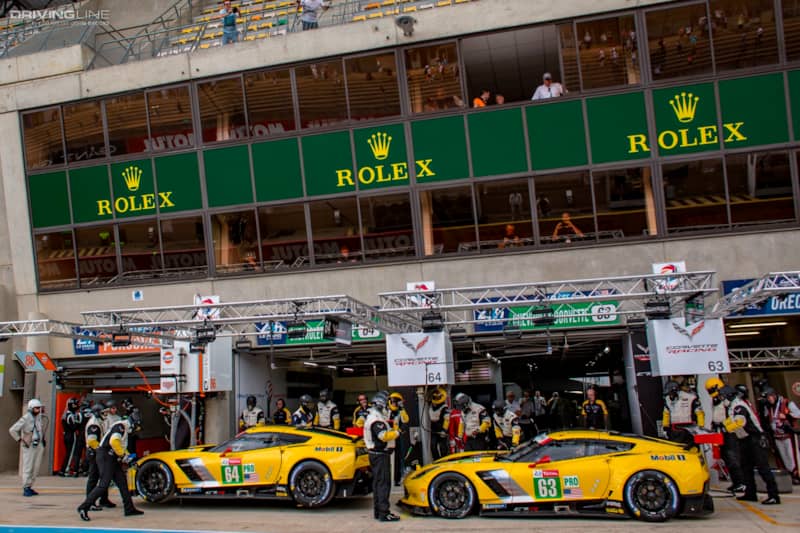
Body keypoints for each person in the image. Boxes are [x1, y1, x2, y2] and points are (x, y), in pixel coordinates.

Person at [77, 411, 144, 521]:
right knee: (103, 485)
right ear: (133, 423)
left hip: (111, 457)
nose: (136, 430)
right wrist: (124, 456)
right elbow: (114, 442)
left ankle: (129, 508)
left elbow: (121, 447)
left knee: (122, 483)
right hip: (106, 456)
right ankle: (83, 507)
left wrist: (129, 458)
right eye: (137, 426)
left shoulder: (123, 428)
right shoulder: (120, 427)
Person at [722, 385, 780, 505]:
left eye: (723, 397)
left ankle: (774, 495)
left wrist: (726, 428)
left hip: (755, 439)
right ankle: (750, 493)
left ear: (729, 395)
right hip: (744, 439)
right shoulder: (732, 406)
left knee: (763, 467)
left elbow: (739, 422)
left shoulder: (738, 406)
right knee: (746, 468)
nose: (722, 399)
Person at [363, 392, 400, 522]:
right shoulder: (376, 420)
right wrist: (397, 433)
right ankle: (384, 513)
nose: (388, 406)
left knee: (378, 484)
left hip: (375, 454)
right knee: (383, 484)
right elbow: (383, 436)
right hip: (380, 455)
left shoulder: (373, 416)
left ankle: (378, 512)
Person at [705, 377, 746, 494]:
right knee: (726, 457)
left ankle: (741, 482)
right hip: (721, 430)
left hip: (730, 431)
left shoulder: (728, 397)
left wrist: (725, 426)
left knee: (732, 456)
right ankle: (736, 482)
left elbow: (732, 415)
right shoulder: (715, 399)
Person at [9, 398, 47, 497]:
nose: (38, 410)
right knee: (28, 467)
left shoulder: (39, 417)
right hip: (29, 445)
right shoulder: (26, 418)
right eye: (36, 408)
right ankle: (26, 487)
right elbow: (12, 430)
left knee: (36, 467)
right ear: (31, 408)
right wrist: (20, 440)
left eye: (39, 408)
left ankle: (30, 486)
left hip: (38, 444)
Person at [763, 387, 800, 485]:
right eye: (767, 398)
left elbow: (798, 414)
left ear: (774, 395)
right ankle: (790, 475)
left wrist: (787, 416)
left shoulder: (787, 403)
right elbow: (766, 418)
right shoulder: (769, 406)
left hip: (788, 435)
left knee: (792, 456)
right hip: (777, 436)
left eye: (770, 397)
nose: (769, 399)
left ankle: (797, 474)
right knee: (783, 456)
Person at [84, 403, 116, 510]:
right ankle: (90, 502)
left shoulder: (100, 421)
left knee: (104, 476)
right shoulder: (94, 424)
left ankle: (104, 499)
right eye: (104, 412)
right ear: (97, 413)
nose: (106, 414)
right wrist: (101, 450)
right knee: (93, 477)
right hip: (94, 452)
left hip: (98, 452)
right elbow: (92, 441)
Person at [388, 392, 409, 486]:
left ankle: (397, 479)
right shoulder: (386, 410)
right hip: (387, 437)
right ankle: (389, 478)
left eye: (396, 401)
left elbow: (406, 420)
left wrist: (402, 408)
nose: (394, 403)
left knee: (398, 458)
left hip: (397, 437)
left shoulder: (401, 411)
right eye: (393, 401)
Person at [60, 398, 83, 477]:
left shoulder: (65, 414)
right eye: (75, 404)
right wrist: (79, 422)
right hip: (71, 435)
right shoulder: (70, 415)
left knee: (68, 453)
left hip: (66, 435)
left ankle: (63, 469)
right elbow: (73, 427)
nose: (77, 406)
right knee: (70, 453)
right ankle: (65, 470)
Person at [427, 387, 450, 460]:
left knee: (443, 447)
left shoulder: (444, 407)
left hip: (441, 428)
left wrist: (444, 430)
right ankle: (436, 460)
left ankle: (444, 460)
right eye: (435, 397)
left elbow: (447, 420)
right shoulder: (430, 404)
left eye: (438, 397)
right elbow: (427, 398)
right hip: (433, 429)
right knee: (433, 446)